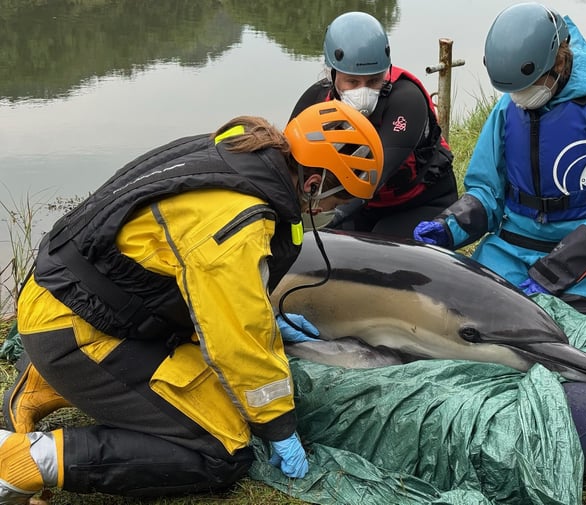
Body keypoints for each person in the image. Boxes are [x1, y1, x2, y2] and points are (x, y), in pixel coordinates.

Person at [0, 100, 383, 502]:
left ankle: (49, 382)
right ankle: (26, 460)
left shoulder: (239, 150)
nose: (327, 214)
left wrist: (268, 315)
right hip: (78, 330)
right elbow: (237, 342)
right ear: (313, 185)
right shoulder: (237, 220)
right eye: (334, 204)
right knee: (223, 447)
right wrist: (279, 428)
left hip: (73, 303)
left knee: (214, 389)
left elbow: (205, 281)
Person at [413, 2, 586, 314]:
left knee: (556, 328)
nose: (521, 98)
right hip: (511, 246)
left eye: (529, 85)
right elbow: (487, 191)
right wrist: (448, 226)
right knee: (463, 312)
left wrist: (554, 272)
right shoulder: (509, 106)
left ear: (558, 60)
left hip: (581, 252)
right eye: (514, 90)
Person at [289, 11, 457, 238]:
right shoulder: (317, 99)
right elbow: (289, 164)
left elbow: (372, 178)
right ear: (332, 73)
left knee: (378, 246)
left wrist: (324, 217)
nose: (363, 91)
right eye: (352, 81)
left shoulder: (406, 100)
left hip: (421, 203)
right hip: (361, 206)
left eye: (374, 80)